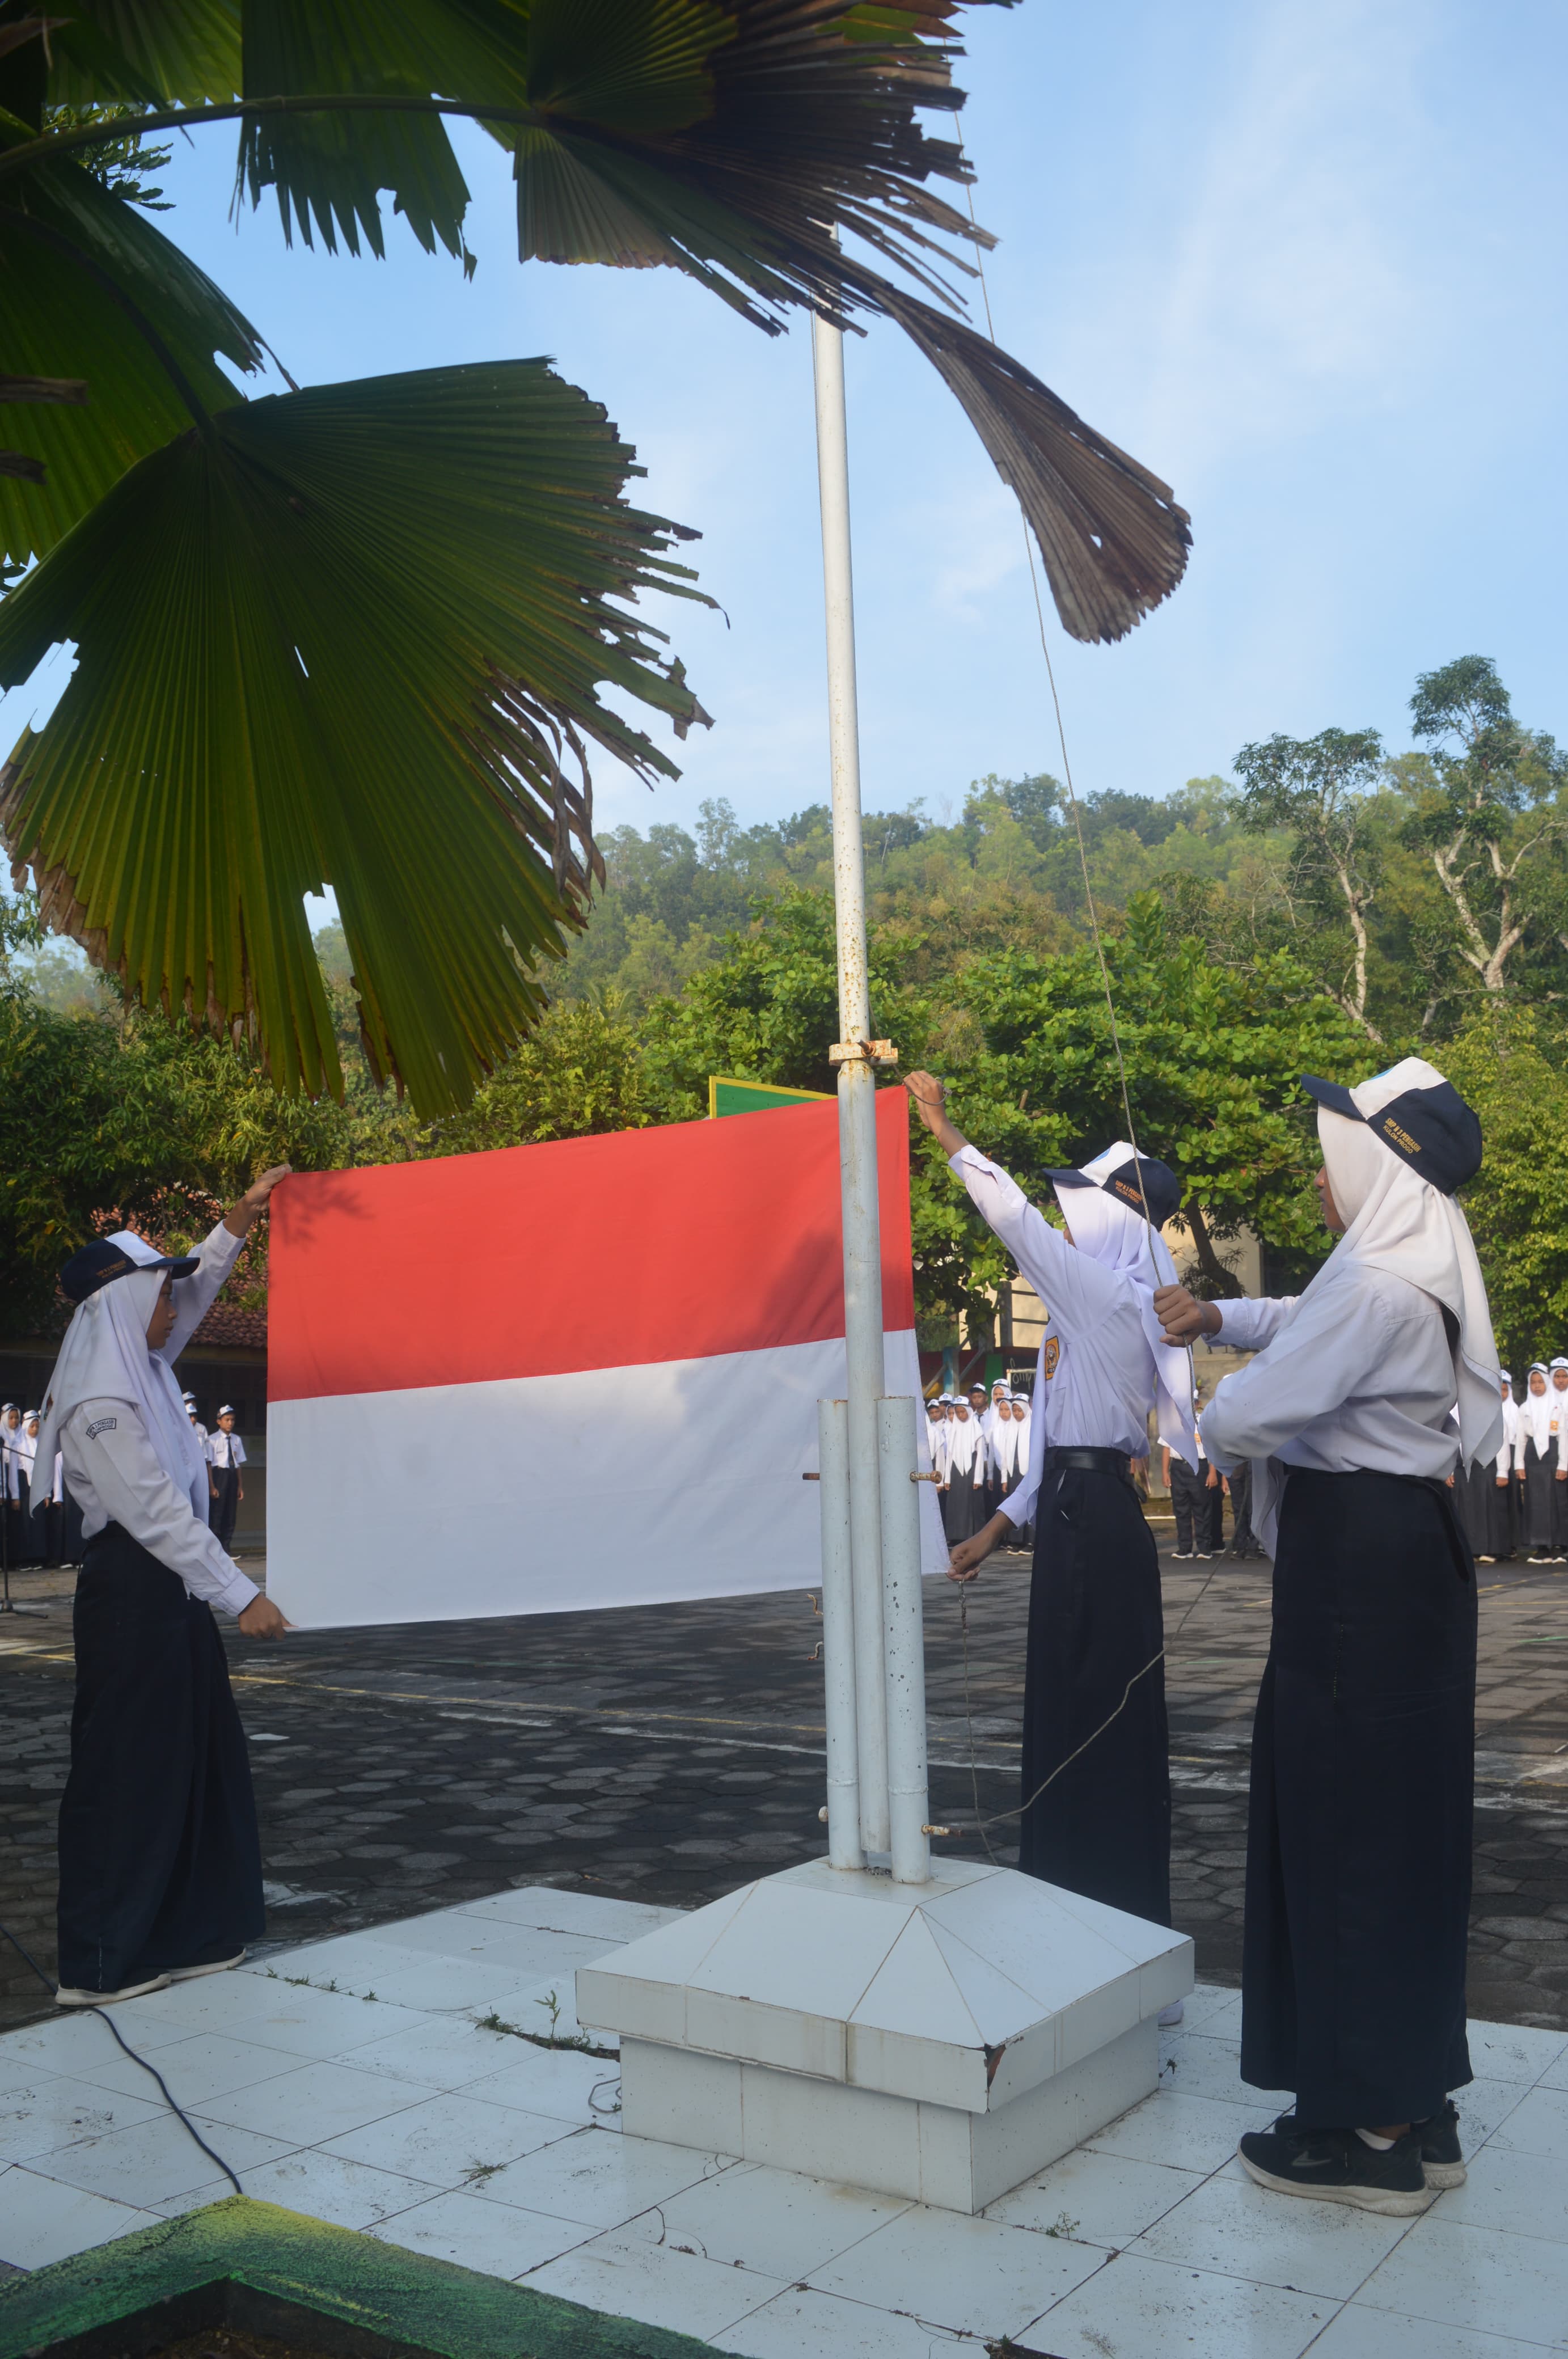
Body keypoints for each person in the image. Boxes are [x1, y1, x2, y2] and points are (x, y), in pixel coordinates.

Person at [1156, 1056, 1501, 2214]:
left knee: (1343, 1825)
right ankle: (1415, 2097)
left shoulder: (1370, 1292)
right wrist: (1219, 1315)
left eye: (1329, 1151)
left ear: (1374, 1163)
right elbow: (1293, 1319)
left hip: (1352, 1567)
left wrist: (1213, 1391)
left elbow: (1240, 1411)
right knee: (1400, 1825)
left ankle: (1366, 2135)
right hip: (1405, 1557)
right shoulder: (1406, 1272)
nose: (1316, 1174)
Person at [907, 1071, 1197, 1939]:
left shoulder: (1107, 1293)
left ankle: (1106, 1924)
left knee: (1097, 1724)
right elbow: (1055, 1451)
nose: (1066, 1218)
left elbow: (1014, 1222)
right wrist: (994, 1531)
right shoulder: (1098, 1303)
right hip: (1076, 1506)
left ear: (1115, 1216)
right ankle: (1073, 1911)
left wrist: (944, 1128)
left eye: (1082, 1203)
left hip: (1094, 1521)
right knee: (1071, 1718)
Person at [39, 1173, 293, 2007]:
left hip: (168, 1592)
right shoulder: (99, 1397)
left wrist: (237, 1225)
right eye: (160, 1293)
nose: (174, 1310)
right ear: (122, 1305)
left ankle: (185, 1932)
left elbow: (198, 1290)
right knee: (128, 1769)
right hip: (134, 1590)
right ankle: (103, 1959)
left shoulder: (141, 1364)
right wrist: (237, 1592)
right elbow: (150, 1512)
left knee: (191, 1756)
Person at [1516, 1364, 1561, 1562]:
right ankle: (1541, 1547)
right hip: (1533, 1458)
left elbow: (1564, 1437)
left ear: (1547, 1382)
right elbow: (1521, 1439)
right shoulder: (1525, 1408)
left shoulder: (1557, 1405)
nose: (1536, 1386)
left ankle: (1557, 1547)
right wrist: (1519, 1465)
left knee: (1556, 1502)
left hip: (1553, 1455)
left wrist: (1564, 1465)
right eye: (1533, 1382)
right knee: (1536, 1503)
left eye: (1540, 1382)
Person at [940, 1397, 986, 1543]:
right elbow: (950, 1455)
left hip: (971, 1470)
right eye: (958, 1412)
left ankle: (973, 1537)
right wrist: (947, 1479)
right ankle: (956, 1536)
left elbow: (980, 1455)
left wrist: (978, 1478)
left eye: (962, 1412)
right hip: (955, 1470)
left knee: (971, 1504)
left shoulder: (976, 1428)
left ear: (968, 1411)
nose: (960, 1415)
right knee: (956, 1504)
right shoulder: (954, 1429)